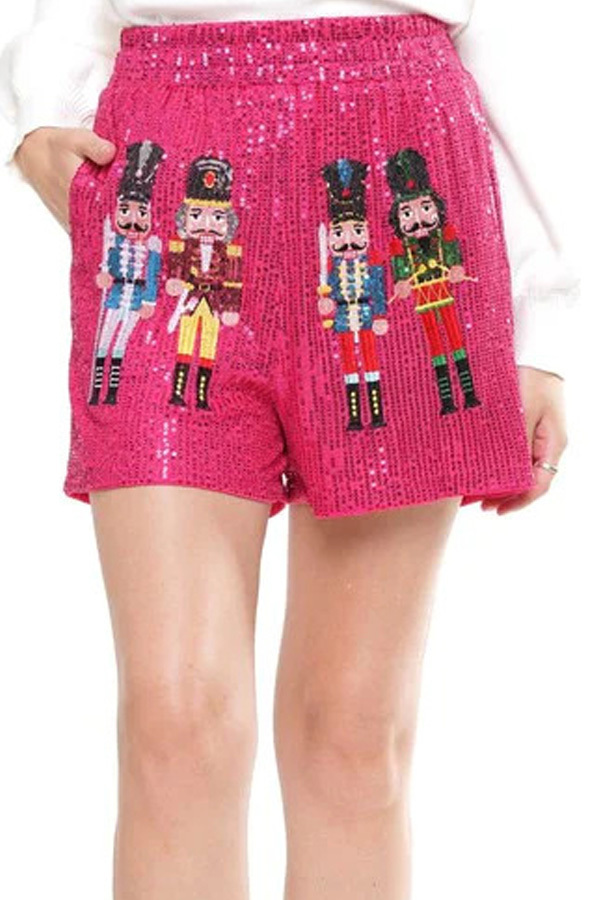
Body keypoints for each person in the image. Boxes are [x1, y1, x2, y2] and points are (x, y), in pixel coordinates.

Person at [0, 1, 578, 899]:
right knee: (175, 725)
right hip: (171, 159)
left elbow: (529, 37)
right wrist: (40, 104)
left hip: (397, 162)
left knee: (350, 737)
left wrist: (548, 313)